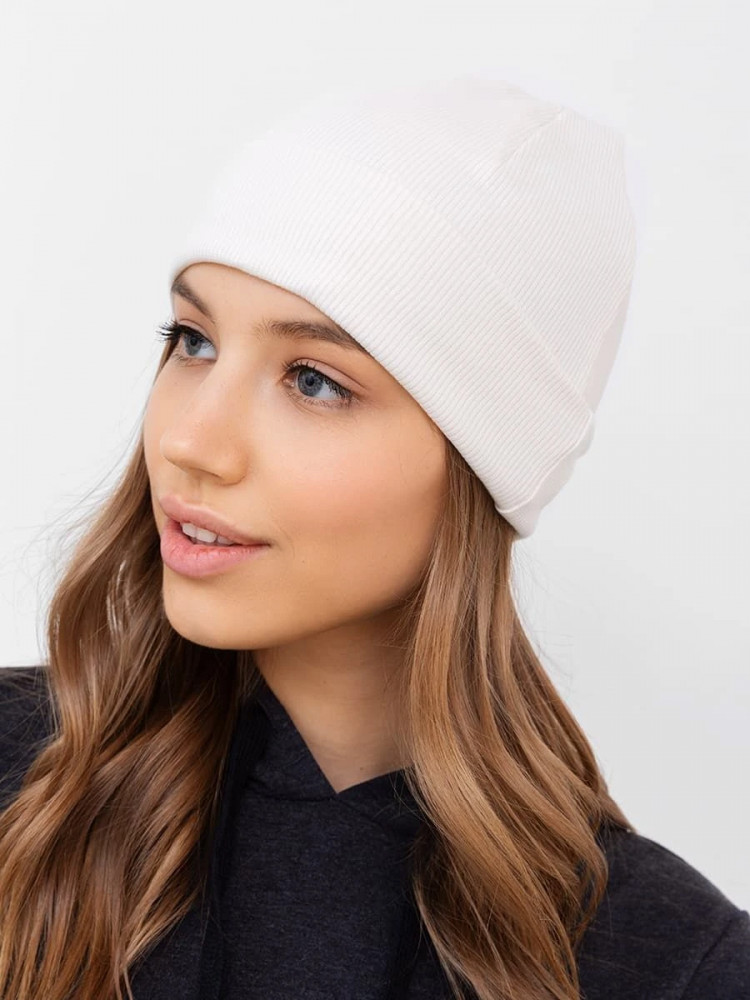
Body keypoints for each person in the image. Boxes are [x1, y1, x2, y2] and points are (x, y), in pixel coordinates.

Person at [0, 74, 747, 1000]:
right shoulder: (25, 790)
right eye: (193, 340)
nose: (189, 441)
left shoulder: (667, 962)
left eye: (314, 381)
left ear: (482, 463)